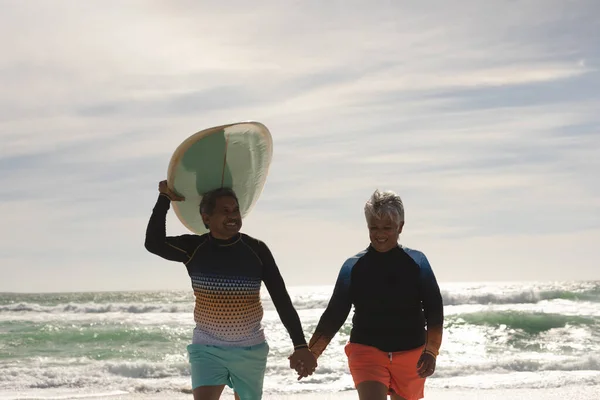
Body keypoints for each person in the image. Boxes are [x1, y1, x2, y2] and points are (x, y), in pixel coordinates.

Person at [144, 180, 317, 400]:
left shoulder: (256, 250)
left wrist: (300, 345)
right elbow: (153, 243)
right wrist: (164, 198)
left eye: (236, 210)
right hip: (207, 348)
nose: (233, 216)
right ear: (207, 218)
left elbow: (281, 298)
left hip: (250, 350)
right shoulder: (194, 249)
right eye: (225, 211)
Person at [303, 189, 444, 400]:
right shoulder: (353, 266)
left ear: (401, 227)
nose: (380, 233)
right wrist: (312, 352)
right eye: (374, 227)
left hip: (411, 352)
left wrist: (431, 351)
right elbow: (335, 313)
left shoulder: (417, 262)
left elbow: (434, 309)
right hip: (366, 350)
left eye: (387, 227)